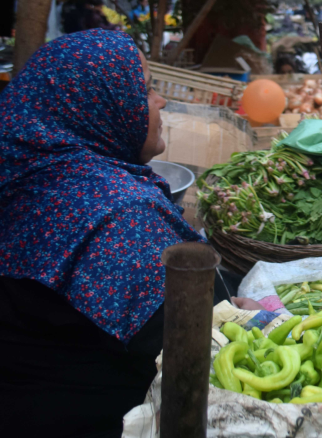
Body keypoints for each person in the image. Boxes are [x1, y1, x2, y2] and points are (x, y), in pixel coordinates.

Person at [0, 30, 263, 437]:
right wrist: (237, 313)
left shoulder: (27, 172)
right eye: (144, 91)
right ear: (100, 109)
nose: (159, 102)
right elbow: (196, 338)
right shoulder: (117, 216)